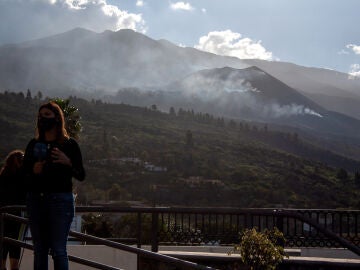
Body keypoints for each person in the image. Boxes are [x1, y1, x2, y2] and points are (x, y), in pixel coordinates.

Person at [23, 101, 85, 270]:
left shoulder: (69, 145)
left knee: (58, 250)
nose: (43, 119)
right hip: (36, 201)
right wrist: (34, 171)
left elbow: (81, 174)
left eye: (47, 115)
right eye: (40, 115)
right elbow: (24, 177)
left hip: (60, 201)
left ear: (57, 118)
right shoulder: (33, 145)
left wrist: (68, 162)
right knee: (39, 250)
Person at [0, 150, 26, 270]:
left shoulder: (4, 173)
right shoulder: (22, 174)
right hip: (17, 215)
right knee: (15, 244)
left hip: (5, 215)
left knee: (4, 243)